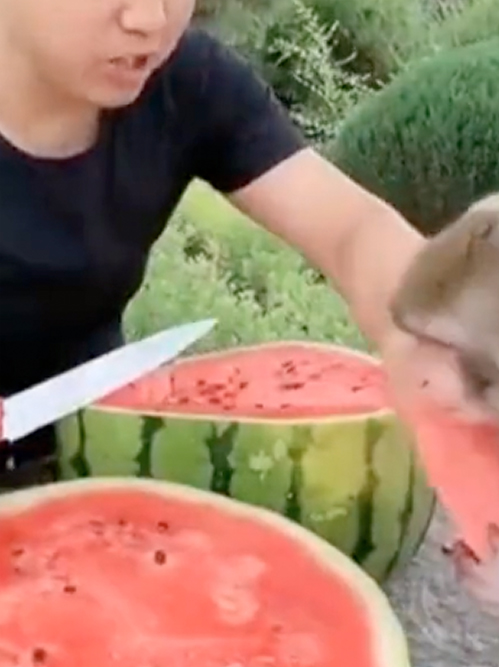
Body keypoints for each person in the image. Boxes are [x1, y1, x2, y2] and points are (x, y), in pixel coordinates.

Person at [0, 0, 425, 488]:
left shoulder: (186, 83)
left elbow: (351, 229)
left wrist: (443, 344)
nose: (149, 20)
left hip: (97, 463)